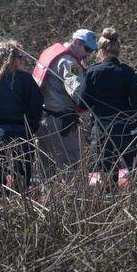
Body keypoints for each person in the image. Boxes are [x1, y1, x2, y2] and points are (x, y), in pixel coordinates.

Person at [0, 40, 44, 194]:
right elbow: (36, 109)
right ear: (14, 58)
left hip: (0, 135)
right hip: (22, 134)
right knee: (22, 185)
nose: (22, 59)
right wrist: (30, 130)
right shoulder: (27, 80)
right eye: (20, 56)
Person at [82, 28, 137, 184]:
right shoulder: (128, 72)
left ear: (101, 51)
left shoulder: (92, 72)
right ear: (118, 49)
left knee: (108, 175)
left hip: (102, 131)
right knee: (134, 174)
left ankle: (110, 204)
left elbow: (82, 103)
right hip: (126, 131)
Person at [32, 28, 95, 176]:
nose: (88, 54)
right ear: (75, 42)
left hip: (43, 120)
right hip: (61, 123)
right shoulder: (69, 63)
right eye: (86, 49)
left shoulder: (52, 53)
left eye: (91, 50)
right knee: (72, 167)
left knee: (45, 170)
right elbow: (78, 93)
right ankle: (73, 199)